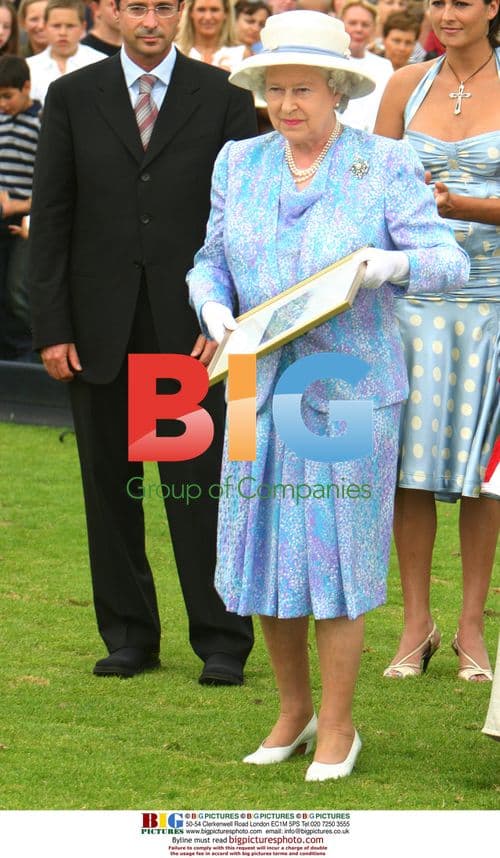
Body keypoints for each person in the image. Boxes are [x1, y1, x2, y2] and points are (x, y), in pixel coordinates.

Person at [187, 10, 469, 779]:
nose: (286, 105)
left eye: (302, 89)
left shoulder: (383, 164)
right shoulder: (237, 163)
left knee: (335, 557)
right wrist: (211, 305)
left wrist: (387, 264)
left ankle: (340, 726)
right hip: (251, 381)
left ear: (337, 90)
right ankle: (293, 711)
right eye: (274, 89)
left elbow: (448, 262)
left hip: (345, 388)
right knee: (262, 550)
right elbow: (209, 259)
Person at [28, 0, 256, 683]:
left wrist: (224, 317)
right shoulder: (71, 96)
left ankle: (221, 638)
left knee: (199, 490)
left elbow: (239, 218)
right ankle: (128, 635)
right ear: (113, 13)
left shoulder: (223, 96)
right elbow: (54, 210)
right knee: (110, 489)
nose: (150, 19)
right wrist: (53, 328)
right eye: (137, 7)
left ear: (182, 12)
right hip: (97, 326)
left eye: (163, 6)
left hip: (191, 329)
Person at [374, 0, 499, 682]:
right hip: (414, 302)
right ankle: (414, 624)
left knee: (487, 472)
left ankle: (473, 628)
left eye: (464, 0)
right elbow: (369, 192)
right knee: (407, 470)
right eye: (438, 1)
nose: (448, 13)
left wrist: (463, 206)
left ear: (493, 7)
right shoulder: (402, 84)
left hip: (493, 305)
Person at [0, 55, 41, 361]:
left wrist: (21, 207)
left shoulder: (42, 123)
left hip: (28, 218)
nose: (3, 104)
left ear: (26, 87)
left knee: (19, 291)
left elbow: (51, 182)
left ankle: (29, 355)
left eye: (7, 96)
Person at [27, 0, 106, 105]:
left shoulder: (101, 63)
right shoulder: (29, 67)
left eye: (70, 26)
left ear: (83, 27)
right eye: (56, 26)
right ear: (45, 26)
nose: (62, 33)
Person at [340, 1, 393, 131]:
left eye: (365, 25)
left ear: (374, 28)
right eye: (352, 23)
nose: (359, 29)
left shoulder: (384, 67)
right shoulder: (329, 61)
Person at [175, 0, 245, 72]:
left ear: (226, 13)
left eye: (214, 10)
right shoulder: (175, 51)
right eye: (201, 10)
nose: (208, 17)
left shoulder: (240, 53)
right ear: (190, 13)